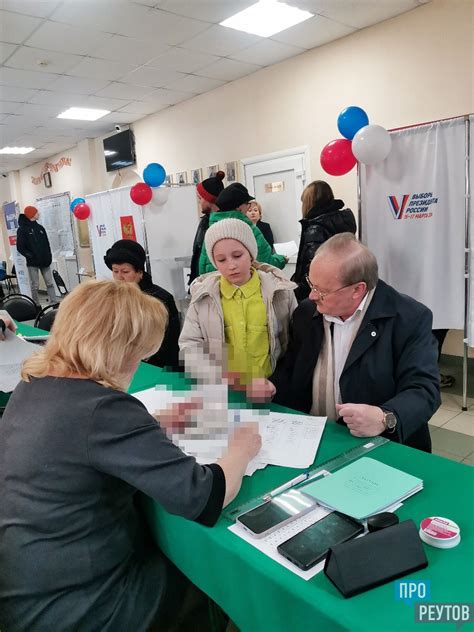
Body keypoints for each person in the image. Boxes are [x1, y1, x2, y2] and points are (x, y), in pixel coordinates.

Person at [0, 280, 261, 631]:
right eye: (140, 353)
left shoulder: (32, 385)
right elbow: (203, 495)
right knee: (211, 579)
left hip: (26, 590)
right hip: (83, 605)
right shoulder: (104, 410)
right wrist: (241, 449)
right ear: (119, 351)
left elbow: (81, 440)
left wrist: (153, 423)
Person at [250, 233, 440, 452]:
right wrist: (273, 385)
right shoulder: (306, 313)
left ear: (357, 290)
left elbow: (424, 390)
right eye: (312, 284)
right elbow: (294, 367)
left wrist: (385, 417)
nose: (312, 296)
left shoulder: (408, 318)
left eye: (322, 291)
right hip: (313, 438)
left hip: (377, 446)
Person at [181, 218, 297, 386]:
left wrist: (278, 381)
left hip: (274, 389)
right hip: (224, 392)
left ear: (250, 253)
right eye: (221, 260)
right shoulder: (203, 297)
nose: (231, 265)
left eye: (237, 255)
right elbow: (189, 346)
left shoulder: (280, 291)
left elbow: (296, 343)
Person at [104, 239, 180, 371]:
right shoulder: (109, 297)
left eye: (125, 272)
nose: (119, 277)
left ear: (139, 272)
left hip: (153, 368)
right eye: (115, 271)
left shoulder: (161, 299)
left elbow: (170, 344)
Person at [199, 183, 286, 275]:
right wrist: (282, 259)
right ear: (239, 207)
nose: (249, 208)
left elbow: (203, 267)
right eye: (248, 205)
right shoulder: (247, 229)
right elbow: (266, 264)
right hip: (245, 287)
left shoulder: (211, 230)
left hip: (216, 287)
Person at [292, 181, 356, 302]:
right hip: (341, 285)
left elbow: (312, 268)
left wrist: (296, 290)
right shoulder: (341, 220)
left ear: (310, 202)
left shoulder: (316, 228)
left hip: (317, 293)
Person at [189, 170, 226, 285]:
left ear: (209, 199)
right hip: (202, 282)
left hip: (214, 283)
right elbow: (198, 254)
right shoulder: (205, 221)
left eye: (200, 198)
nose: (199, 202)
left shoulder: (223, 223)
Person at [16, 205, 57, 304]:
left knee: (50, 283)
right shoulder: (22, 229)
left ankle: (54, 302)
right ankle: (36, 304)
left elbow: (47, 244)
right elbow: (20, 247)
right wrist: (31, 256)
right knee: (35, 285)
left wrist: (49, 256)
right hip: (33, 262)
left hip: (45, 261)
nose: (38, 214)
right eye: (36, 212)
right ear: (32, 215)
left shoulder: (40, 228)